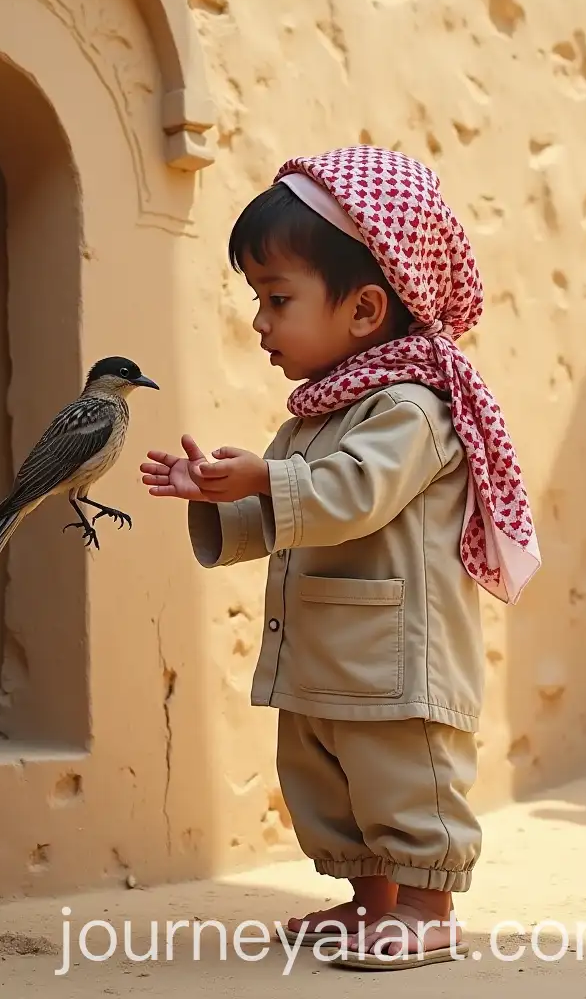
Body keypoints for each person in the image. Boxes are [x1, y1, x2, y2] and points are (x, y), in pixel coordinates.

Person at [140, 145, 540, 970]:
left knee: (403, 784)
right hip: (329, 654)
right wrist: (227, 496)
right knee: (328, 783)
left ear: (364, 310)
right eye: (258, 298)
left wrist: (268, 477)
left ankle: (426, 906)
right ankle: (369, 899)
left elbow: (353, 495)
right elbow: (299, 510)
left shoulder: (412, 409)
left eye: (276, 299)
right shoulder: (315, 419)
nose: (259, 323)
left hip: (398, 665)